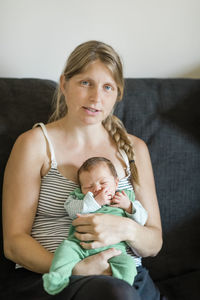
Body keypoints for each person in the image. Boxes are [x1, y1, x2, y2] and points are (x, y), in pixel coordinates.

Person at [2, 40, 164, 300]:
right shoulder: (34, 144)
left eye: (107, 87)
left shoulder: (134, 149)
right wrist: (75, 268)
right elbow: (13, 242)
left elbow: (154, 242)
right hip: (58, 279)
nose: (96, 98)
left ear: (118, 95)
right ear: (64, 84)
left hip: (129, 278)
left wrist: (125, 229)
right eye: (85, 83)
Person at [43, 156, 148, 294]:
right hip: (79, 246)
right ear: (81, 188)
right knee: (64, 250)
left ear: (116, 183)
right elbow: (72, 211)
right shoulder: (79, 197)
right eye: (89, 187)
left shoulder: (125, 197)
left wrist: (129, 207)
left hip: (114, 251)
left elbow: (142, 220)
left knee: (128, 265)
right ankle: (57, 279)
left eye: (103, 183)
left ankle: (123, 288)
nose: (97, 188)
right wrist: (95, 202)